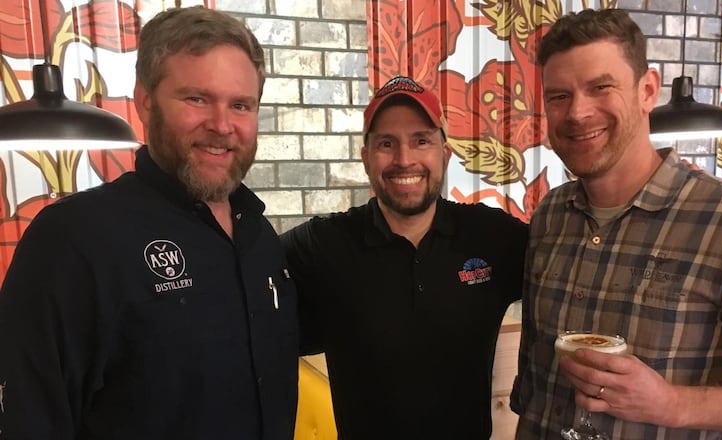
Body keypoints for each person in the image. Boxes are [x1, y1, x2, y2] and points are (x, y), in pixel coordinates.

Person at [0, 6, 298, 440]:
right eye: (197, 98)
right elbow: (27, 420)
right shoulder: (71, 240)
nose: (221, 125)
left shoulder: (259, 236)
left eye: (240, 105)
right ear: (145, 101)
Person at [510, 8, 722, 440]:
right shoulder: (550, 216)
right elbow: (534, 384)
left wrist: (671, 404)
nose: (578, 113)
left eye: (600, 87)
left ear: (648, 90)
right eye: (559, 96)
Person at [280, 76, 528, 439]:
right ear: (366, 159)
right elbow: (242, 276)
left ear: (444, 154)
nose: (404, 159)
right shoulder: (322, 244)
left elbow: (566, 267)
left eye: (421, 140)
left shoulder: (492, 235)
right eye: (386, 143)